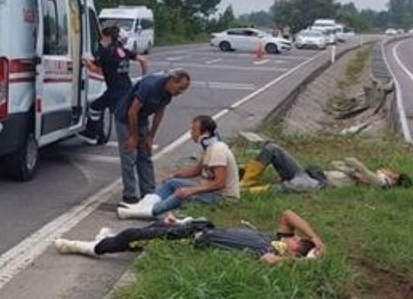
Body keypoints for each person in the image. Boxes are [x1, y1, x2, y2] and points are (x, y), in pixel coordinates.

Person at [55, 209, 326, 266]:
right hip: (197, 227)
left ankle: (85, 247)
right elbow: (289, 214)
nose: (294, 237)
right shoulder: (276, 237)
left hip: (192, 241)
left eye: (298, 241)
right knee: (152, 229)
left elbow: (270, 262)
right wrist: (315, 237)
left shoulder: (271, 253)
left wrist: (305, 262)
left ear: (294, 251)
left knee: (133, 236)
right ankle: (104, 238)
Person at [118, 115, 239, 219]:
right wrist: (175, 175)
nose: (191, 133)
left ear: (205, 133)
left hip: (223, 198)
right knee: (172, 183)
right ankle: (142, 206)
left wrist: (191, 190)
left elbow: (220, 183)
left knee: (181, 193)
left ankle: (148, 212)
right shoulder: (209, 148)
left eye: (194, 130)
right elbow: (197, 170)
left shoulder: (218, 150)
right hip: (211, 192)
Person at [114, 68, 191, 205]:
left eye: (183, 90)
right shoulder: (150, 86)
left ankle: (148, 193)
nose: (180, 92)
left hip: (142, 120)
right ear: (172, 81)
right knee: (130, 155)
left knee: (145, 155)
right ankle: (129, 195)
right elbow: (132, 112)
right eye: (180, 88)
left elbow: (159, 113)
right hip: (125, 119)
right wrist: (134, 137)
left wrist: (150, 136)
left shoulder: (168, 94)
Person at [239, 142, 410, 192]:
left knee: (287, 187)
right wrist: (353, 173)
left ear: (394, 178)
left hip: (319, 185)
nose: (385, 168)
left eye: (390, 171)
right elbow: (337, 163)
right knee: (273, 148)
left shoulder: (381, 182)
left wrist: (359, 170)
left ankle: (242, 192)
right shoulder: (369, 177)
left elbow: (350, 160)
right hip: (312, 175)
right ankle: (246, 182)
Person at [79, 25, 147, 142]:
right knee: (95, 107)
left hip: (115, 90)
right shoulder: (123, 50)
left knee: (122, 117)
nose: (102, 40)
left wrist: (85, 61)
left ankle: (134, 138)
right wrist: (144, 77)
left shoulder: (107, 52)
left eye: (103, 37)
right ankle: (91, 134)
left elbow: (95, 69)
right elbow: (143, 60)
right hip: (124, 88)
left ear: (109, 37)